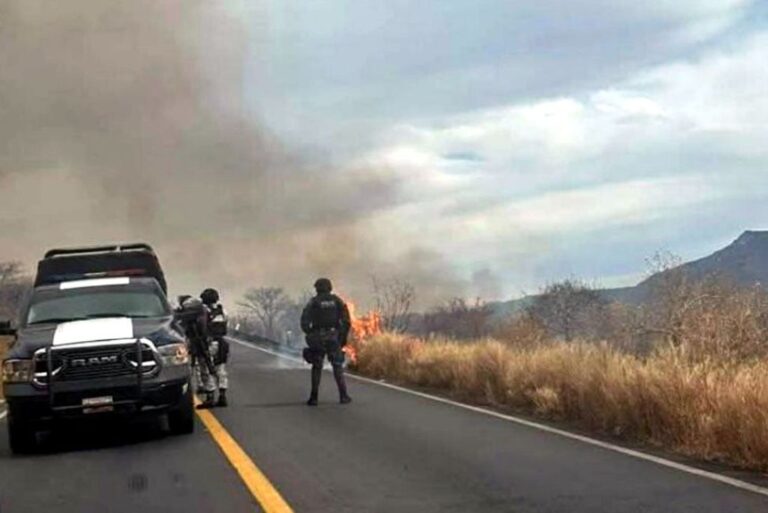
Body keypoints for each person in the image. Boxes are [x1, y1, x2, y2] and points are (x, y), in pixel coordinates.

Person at [301, 278, 352, 406]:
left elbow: (304, 320)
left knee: (317, 367)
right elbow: (346, 321)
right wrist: (342, 337)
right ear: (329, 287)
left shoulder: (313, 302)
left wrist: (310, 333)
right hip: (333, 336)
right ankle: (343, 396)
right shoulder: (337, 301)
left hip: (318, 336)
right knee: (337, 366)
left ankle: (314, 398)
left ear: (317, 288)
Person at [176, 295, 217, 409]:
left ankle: (204, 396)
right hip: (201, 344)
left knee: (197, 369)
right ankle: (209, 395)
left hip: (198, 344)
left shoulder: (193, 316)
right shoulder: (203, 313)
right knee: (204, 369)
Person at [200, 288, 229, 407]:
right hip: (222, 343)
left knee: (207, 369)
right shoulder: (223, 311)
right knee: (221, 369)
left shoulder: (203, 311)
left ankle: (210, 397)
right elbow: (225, 325)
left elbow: (201, 327)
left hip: (208, 343)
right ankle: (222, 395)